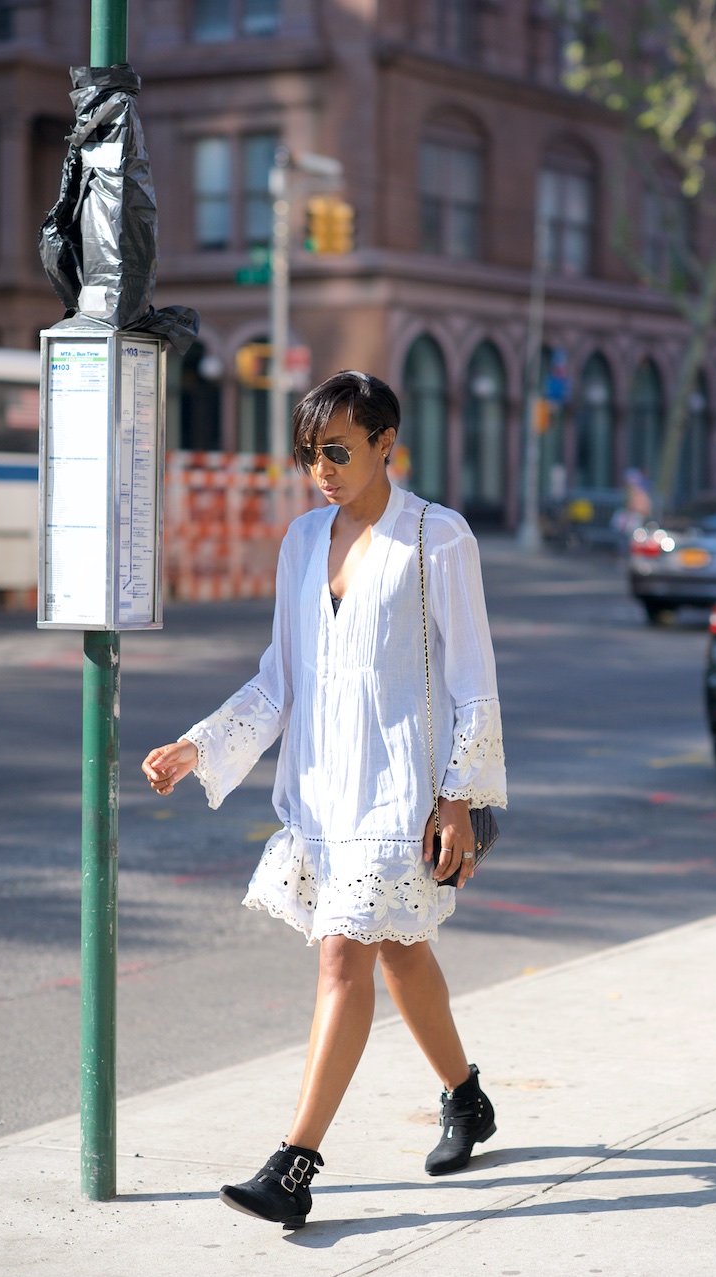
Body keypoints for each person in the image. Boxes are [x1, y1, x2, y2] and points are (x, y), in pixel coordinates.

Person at [141, 370, 507, 1230]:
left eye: (338, 450)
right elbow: (283, 677)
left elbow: (474, 682)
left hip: (405, 794)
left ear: (387, 442)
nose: (323, 470)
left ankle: (294, 1164)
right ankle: (466, 1096)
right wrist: (202, 742)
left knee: (345, 956)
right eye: (310, 453)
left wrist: (458, 797)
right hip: (326, 797)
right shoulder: (304, 540)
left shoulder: (436, 538)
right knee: (403, 954)